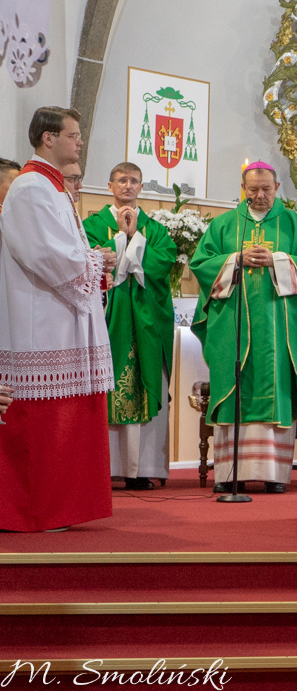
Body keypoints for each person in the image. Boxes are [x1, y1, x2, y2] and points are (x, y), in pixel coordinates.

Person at [0, 107, 118, 531]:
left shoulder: (53, 187)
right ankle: (37, 511)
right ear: (48, 138)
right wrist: (94, 262)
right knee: (41, 426)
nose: (80, 141)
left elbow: (63, 252)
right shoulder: (30, 186)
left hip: (59, 319)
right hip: (39, 324)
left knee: (65, 422)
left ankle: (59, 507)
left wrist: (93, 259)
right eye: (73, 134)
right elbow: (45, 255)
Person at [190, 162, 297, 494]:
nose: (260, 195)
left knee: (275, 384)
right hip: (231, 327)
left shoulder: (296, 225)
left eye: (266, 189)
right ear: (244, 189)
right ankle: (227, 474)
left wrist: (278, 261)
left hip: (280, 328)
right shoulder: (224, 225)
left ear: (277, 188)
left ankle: (274, 474)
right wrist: (236, 259)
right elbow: (201, 264)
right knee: (232, 386)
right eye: (253, 190)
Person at [82, 162, 177, 491]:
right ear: (110, 186)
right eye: (121, 180)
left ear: (141, 187)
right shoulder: (93, 226)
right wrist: (125, 239)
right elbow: (88, 260)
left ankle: (142, 469)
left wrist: (134, 238)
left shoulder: (155, 229)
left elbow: (163, 263)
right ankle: (104, 468)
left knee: (145, 382)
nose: (128, 185)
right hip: (108, 321)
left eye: (134, 181)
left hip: (146, 324)